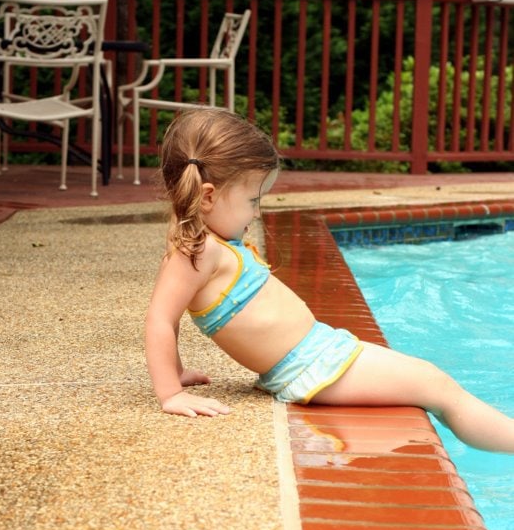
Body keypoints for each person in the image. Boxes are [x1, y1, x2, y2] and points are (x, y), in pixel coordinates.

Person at [145, 108, 514, 453]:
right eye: (254, 201)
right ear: (208, 197)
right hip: (309, 368)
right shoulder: (196, 251)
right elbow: (161, 318)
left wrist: (176, 371)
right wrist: (171, 392)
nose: (257, 211)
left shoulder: (213, 244)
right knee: (439, 387)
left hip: (320, 354)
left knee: (432, 380)